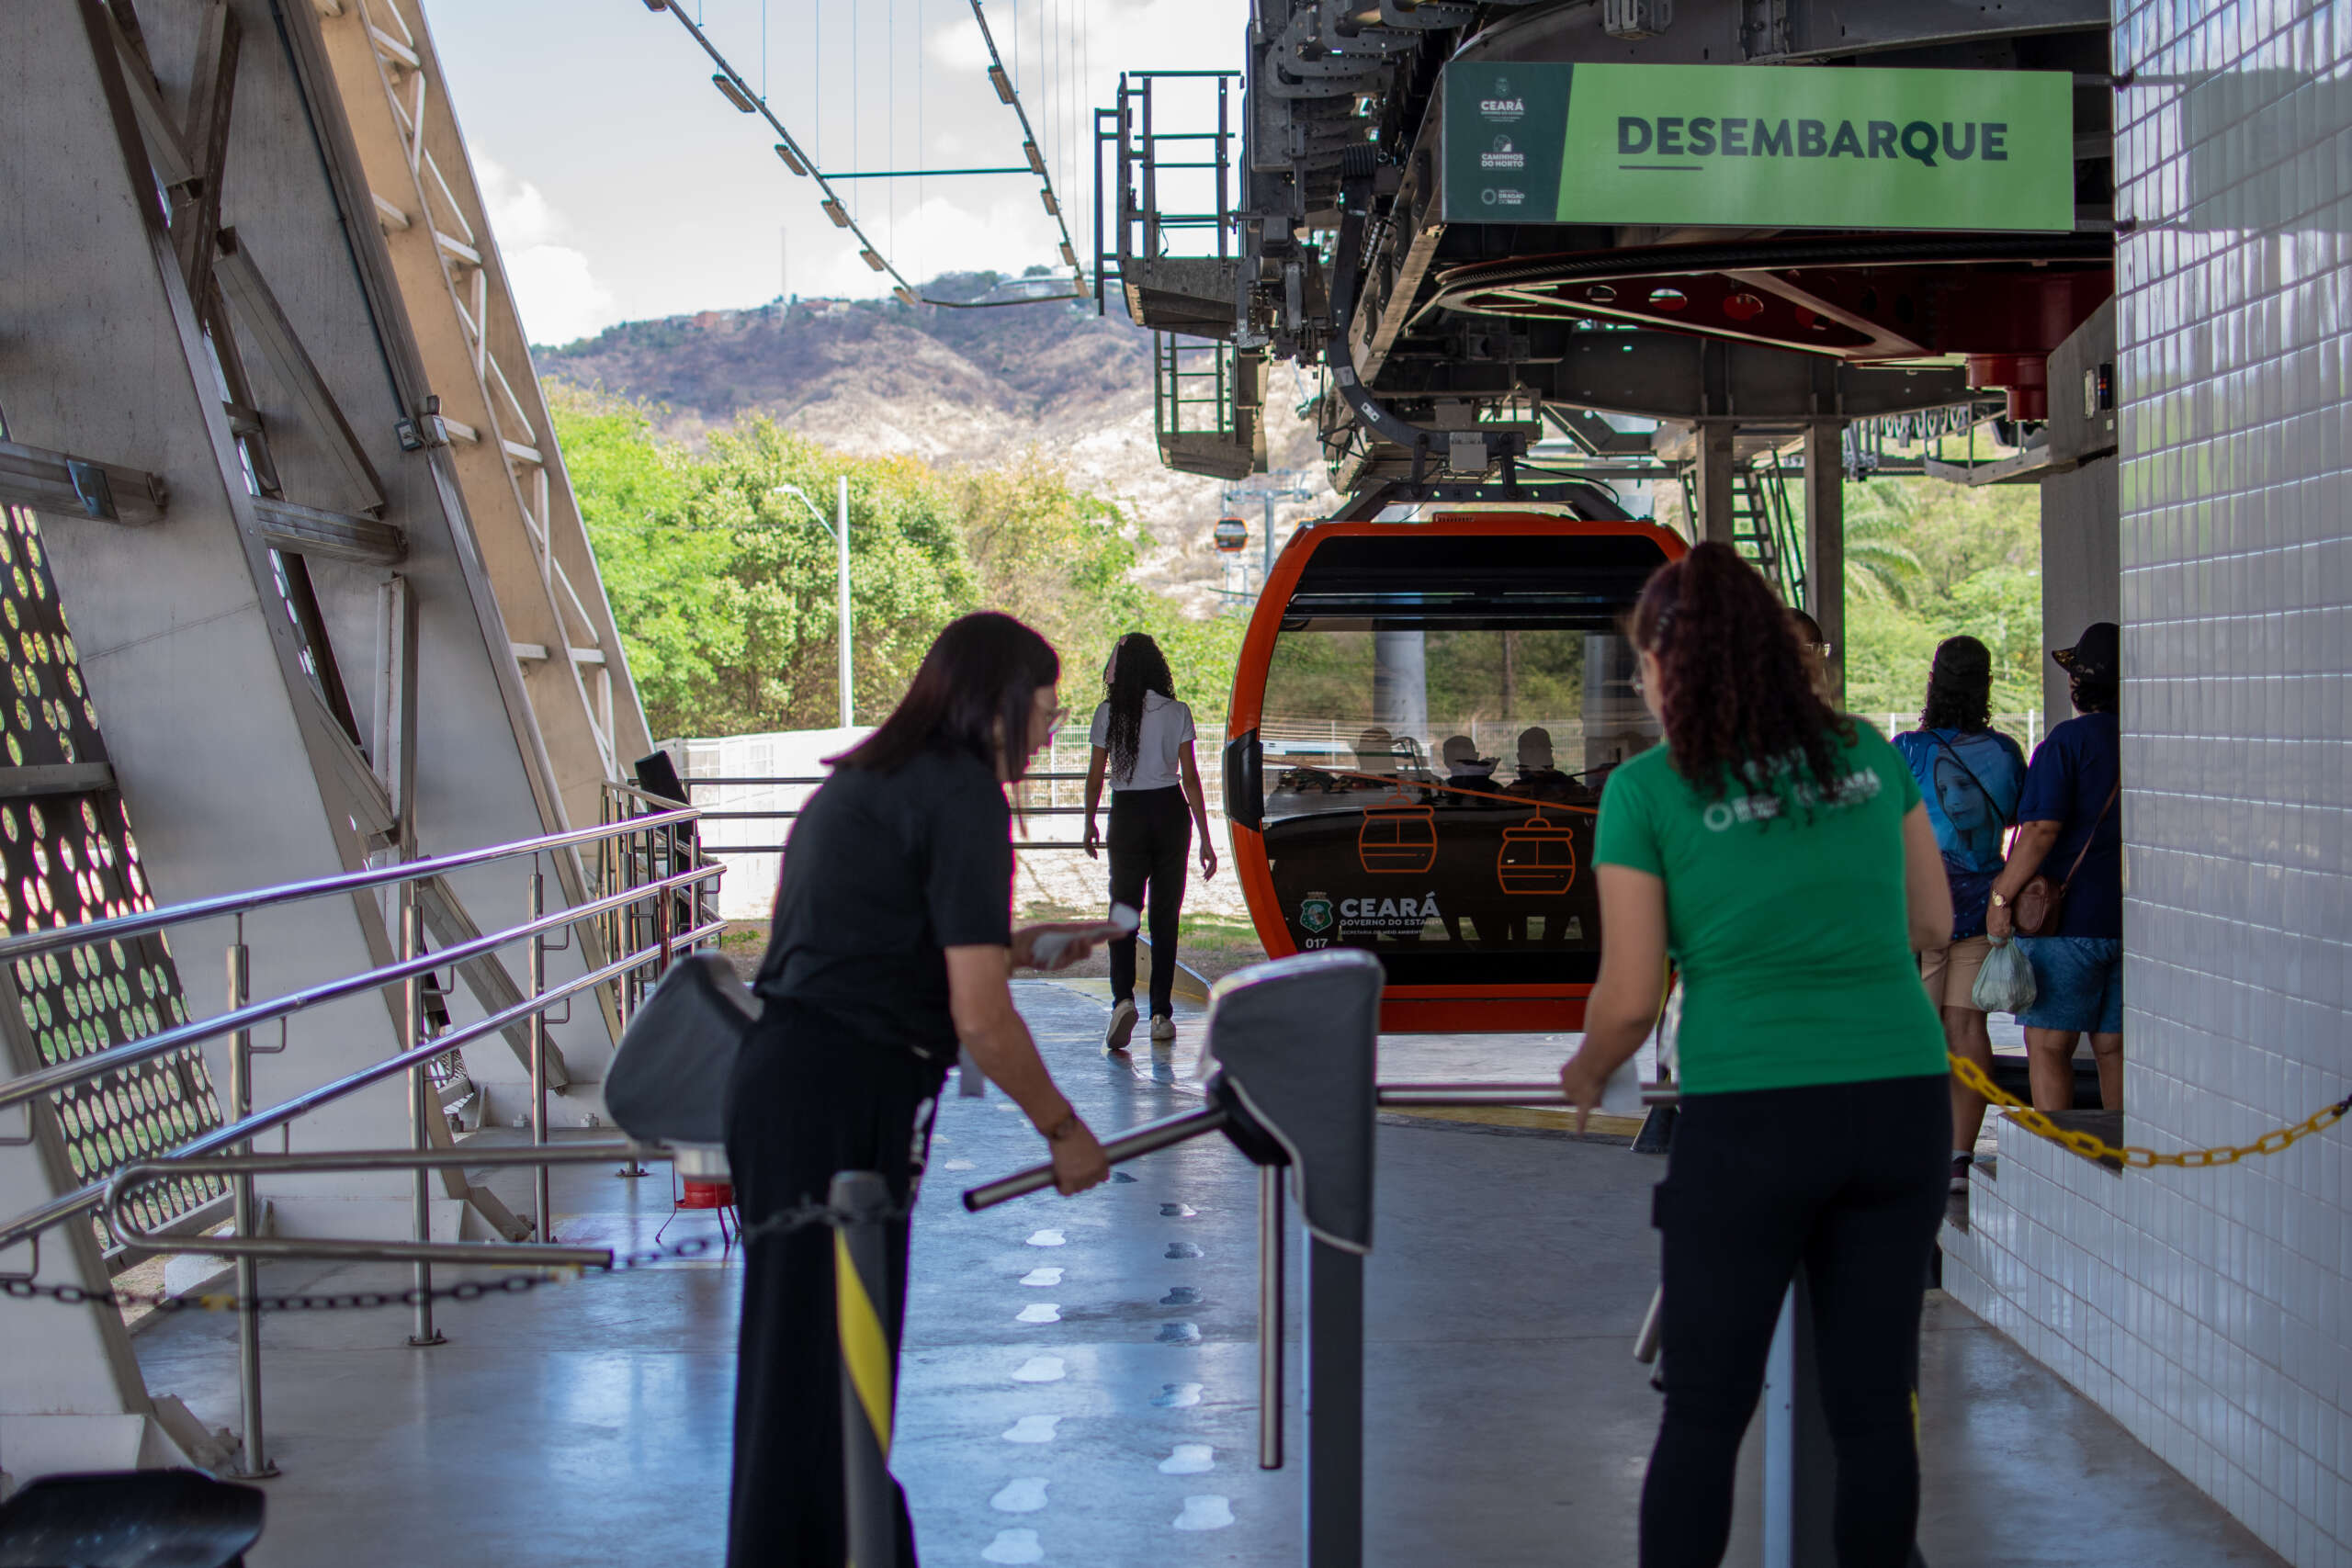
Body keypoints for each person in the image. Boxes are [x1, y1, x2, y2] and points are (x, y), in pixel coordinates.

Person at [1556, 542, 1952, 1568]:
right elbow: (1932, 921)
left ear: (1669, 663)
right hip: (1902, 1101)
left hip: (1753, 1120)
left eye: (1644, 661)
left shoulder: (1649, 791)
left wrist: (1589, 1068)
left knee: (1704, 1411)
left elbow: (1633, 996)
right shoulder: (1868, 752)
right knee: (1873, 1408)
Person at [726, 612, 1114, 1568]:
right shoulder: (963, 796)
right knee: (825, 1371)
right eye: (1044, 711)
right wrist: (1064, 1131)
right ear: (995, 704)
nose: (1049, 733)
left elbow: (884, 953)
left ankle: (846, 1544)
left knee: (815, 1370)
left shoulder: (877, 781)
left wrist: (1023, 949)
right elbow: (977, 1018)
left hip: (794, 1083)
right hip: (836, 1099)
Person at [1893, 637, 2028, 1193]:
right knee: (1968, 1028)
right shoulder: (2003, 753)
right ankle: (1957, 1159)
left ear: (1934, 684)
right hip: (1981, 905)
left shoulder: (1907, 750)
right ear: (1985, 686)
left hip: (1916, 911)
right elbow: (2020, 815)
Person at [1985, 622, 2123, 1111]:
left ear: (2075, 685)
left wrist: (2002, 895)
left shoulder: (2068, 743)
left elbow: (2041, 830)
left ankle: (2059, 1169)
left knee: (2048, 1046)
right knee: (2114, 1048)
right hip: (2132, 922)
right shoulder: (2149, 740)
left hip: (2068, 924)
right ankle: (2121, 1158)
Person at [1081, 633, 1217, 1050]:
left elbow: (1094, 775)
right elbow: (1191, 779)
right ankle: (1161, 1014)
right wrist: (1206, 840)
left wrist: (1088, 821)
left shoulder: (1108, 713)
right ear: (1158, 667)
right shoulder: (1178, 712)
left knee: (1124, 909)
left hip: (1127, 814)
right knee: (1165, 915)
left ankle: (1123, 999)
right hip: (1170, 813)